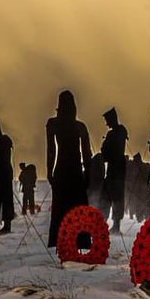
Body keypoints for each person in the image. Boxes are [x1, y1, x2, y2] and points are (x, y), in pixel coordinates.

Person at [46, 90, 92, 247]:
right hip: (75, 171)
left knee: (60, 208)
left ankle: (60, 240)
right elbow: (87, 154)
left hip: (61, 169)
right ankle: (80, 241)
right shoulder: (79, 126)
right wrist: (88, 174)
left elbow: (51, 150)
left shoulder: (53, 124)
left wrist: (49, 171)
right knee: (77, 208)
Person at [101, 108, 129, 232]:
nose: (106, 123)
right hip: (119, 170)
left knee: (108, 198)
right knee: (117, 198)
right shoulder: (121, 132)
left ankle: (111, 224)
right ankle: (115, 224)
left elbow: (105, 152)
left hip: (113, 170)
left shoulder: (112, 134)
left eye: (107, 120)